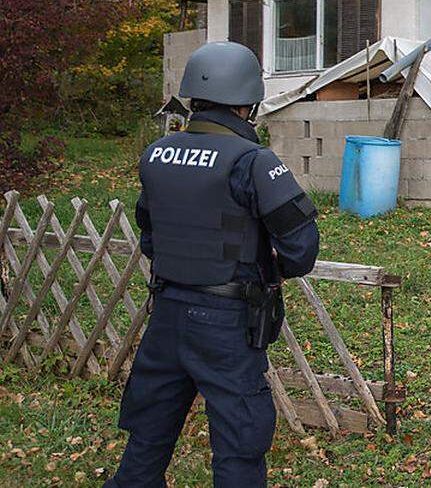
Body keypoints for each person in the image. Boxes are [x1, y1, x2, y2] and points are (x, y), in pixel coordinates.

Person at [107, 42, 319, 487]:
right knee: (239, 445)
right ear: (247, 103)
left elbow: (151, 236)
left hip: (165, 313)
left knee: (148, 435)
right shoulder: (253, 160)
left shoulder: (157, 154)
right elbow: (301, 250)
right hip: (226, 322)